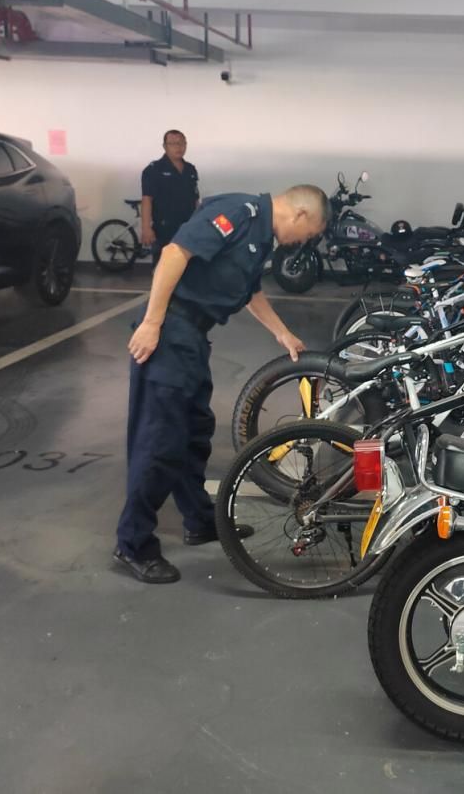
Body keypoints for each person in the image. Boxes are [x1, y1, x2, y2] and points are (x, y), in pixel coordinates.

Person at [113, 184, 329, 584]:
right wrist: (152, 323)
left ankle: (198, 519)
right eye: (309, 234)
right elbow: (174, 254)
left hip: (192, 338)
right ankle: (133, 543)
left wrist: (282, 333)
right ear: (301, 215)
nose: (303, 242)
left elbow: (250, 291)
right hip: (170, 332)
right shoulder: (240, 214)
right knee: (160, 441)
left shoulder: (261, 235)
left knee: (195, 433)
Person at [140, 130, 200, 258]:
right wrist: (146, 228)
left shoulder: (190, 169)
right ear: (165, 146)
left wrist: (198, 223)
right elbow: (147, 199)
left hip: (187, 228)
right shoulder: (154, 169)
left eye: (181, 143)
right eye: (173, 143)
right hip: (164, 229)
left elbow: (195, 199)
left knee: (188, 264)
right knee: (163, 266)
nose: (178, 147)